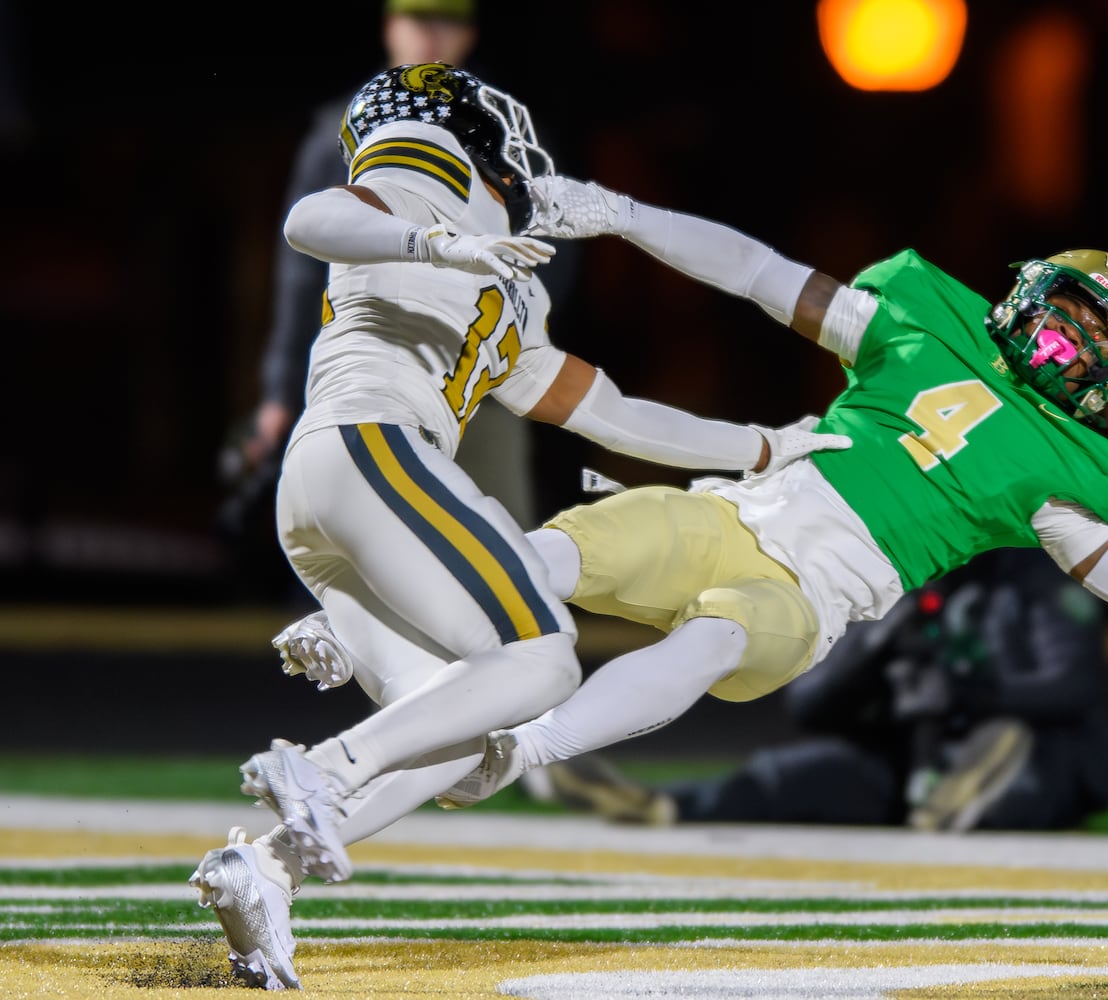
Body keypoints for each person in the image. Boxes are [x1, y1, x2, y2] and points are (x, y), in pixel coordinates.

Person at [368, 174, 1108, 813]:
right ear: (1027, 291)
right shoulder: (928, 313)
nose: (1066, 341)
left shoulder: (1078, 469)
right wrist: (626, 215)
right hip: (732, 510)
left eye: (1094, 340)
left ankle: (518, 749)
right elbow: (762, 275)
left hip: (812, 596)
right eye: (1067, 312)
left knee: (708, 641)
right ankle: (380, 626)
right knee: (558, 546)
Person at [187, 63, 850, 992]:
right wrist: (429, 242)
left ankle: (262, 870)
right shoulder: (434, 163)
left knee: (465, 750)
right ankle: (328, 770)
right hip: (372, 442)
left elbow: (611, 413)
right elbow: (310, 220)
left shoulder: (510, 282)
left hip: (342, 489)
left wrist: (764, 448)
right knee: (542, 656)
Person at [219, 0, 546, 595]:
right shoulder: (343, 128)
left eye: (446, 20)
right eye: (417, 19)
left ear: (469, 34)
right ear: (390, 26)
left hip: (478, 386)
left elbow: (552, 249)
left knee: (504, 578)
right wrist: (280, 392)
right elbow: (300, 274)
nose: (430, 35)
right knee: (383, 584)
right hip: (375, 377)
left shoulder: (503, 130)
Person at [541, 546, 1108, 832]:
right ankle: (666, 806)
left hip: (1040, 754)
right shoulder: (892, 586)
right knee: (792, 775)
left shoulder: (1034, 578)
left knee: (1015, 758)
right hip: (909, 760)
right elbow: (809, 704)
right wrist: (878, 649)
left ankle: (968, 792)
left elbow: (1068, 684)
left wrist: (964, 694)